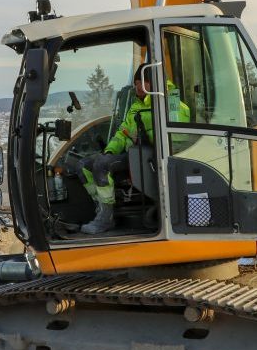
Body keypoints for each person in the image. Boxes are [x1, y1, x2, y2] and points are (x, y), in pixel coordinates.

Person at [78, 67, 189, 234]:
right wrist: (109, 152)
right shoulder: (135, 107)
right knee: (83, 165)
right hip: (133, 153)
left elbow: (177, 142)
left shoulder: (174, 106)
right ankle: (102, 209)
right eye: (136, 83)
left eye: (142, 82)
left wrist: (145, 138)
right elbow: (121, 134)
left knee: (102, 165)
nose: (137, 87)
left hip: (150, 156)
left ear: (155, 82)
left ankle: (106, 220)